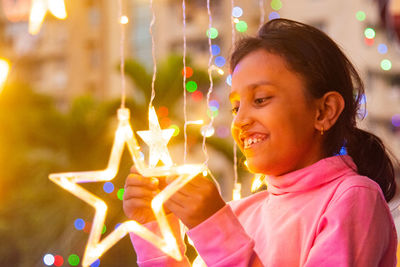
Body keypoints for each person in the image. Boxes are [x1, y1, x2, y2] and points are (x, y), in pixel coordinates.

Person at [123, 18, 398, 266]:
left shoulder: (353, 197)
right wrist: (155, 229)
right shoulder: (239, 214)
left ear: (324, 111)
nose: (240, 120)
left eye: (260, 99)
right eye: (235, 107)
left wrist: (215, 229)